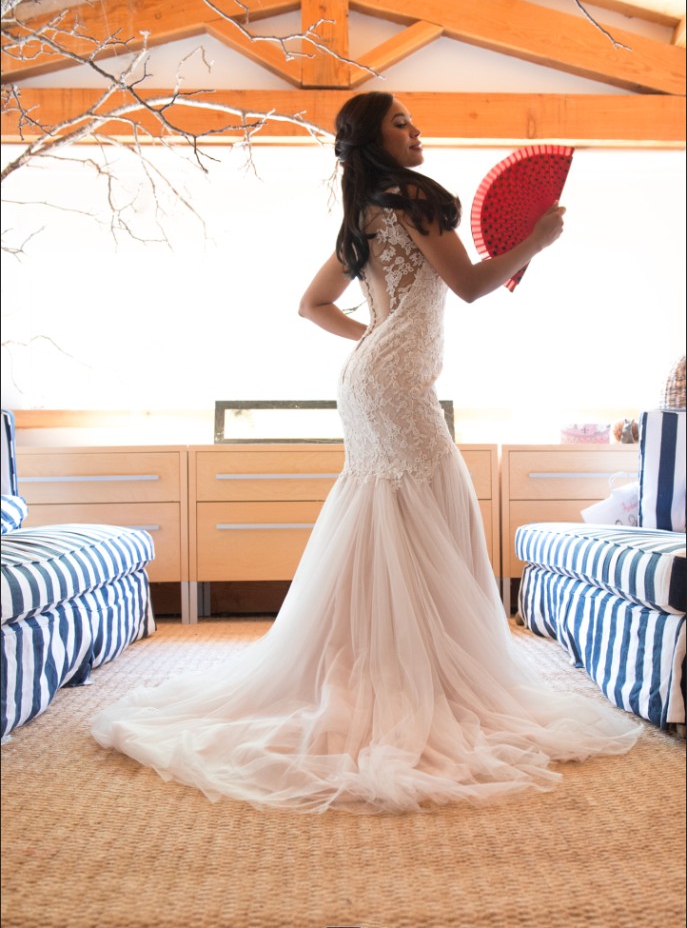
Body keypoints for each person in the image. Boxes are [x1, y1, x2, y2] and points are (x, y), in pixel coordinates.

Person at [91, 92, 641, 813]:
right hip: (392, 385)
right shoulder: (410, 195)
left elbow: (310, 306)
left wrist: (377, 343)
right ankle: (416, 678)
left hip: (370, 381)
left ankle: (392, 668)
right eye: (401, 122)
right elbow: (471, 286)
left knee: (391, 511)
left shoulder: (363, 210)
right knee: (426, 506)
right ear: (374, 140)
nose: (417, 131)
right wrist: (535, 239)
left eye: (412, 120)